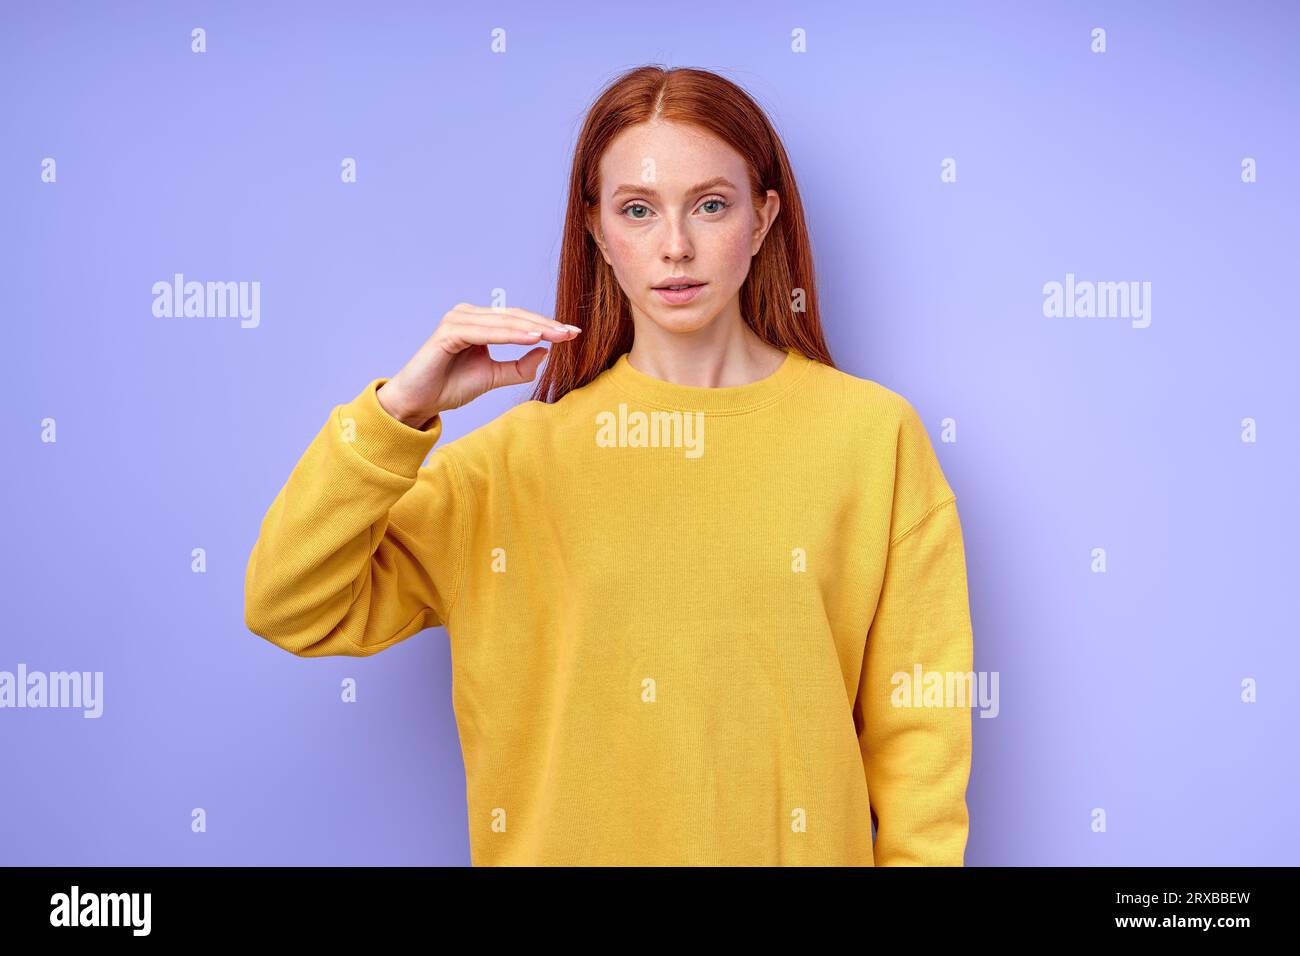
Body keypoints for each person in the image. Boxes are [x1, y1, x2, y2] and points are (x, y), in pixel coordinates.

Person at [244, 64, 975, 867]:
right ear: (595, 229)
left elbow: (922, 752)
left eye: (711, 204)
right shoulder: (509, 468)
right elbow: (290, 605)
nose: (676, 247)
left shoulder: (873, 438)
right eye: (637, 209)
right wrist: (397, 415)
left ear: (763, 218)